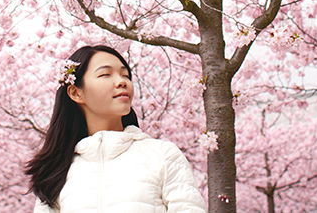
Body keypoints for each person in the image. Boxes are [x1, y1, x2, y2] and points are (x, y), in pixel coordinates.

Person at [25, 45, 206, 212]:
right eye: (105, 74)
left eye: (125, 75)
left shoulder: (163, 155)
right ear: (76, 92)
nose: (121, 82)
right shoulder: (57, 172)